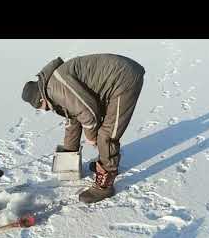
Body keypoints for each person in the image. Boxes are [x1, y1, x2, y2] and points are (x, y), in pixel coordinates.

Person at [22, 53, 145, 204]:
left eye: (40, 107)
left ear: (40, 99)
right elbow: (73, 117)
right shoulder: (53, 86)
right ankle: (104, 161)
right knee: (101, 133)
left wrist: (91, 136)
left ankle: (105, 184)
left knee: (107, 135)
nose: (44, 110)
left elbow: (88, 113)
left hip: (124, 79)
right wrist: (69, 153)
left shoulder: (55, 88)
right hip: (117, 78)